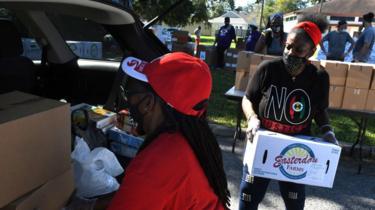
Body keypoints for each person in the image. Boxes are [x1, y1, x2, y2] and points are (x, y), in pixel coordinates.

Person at [239, 14, 339, 210]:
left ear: (311, 52)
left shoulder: (319, 77)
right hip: (263, 145)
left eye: (298, 49)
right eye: (288, 46)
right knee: (248, 198)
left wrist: (328, 131)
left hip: (296, 151)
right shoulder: (268, 68)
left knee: (294, 202)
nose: (290, 53)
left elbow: (319, 110)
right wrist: (252, 118)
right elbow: (248, 98)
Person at [107, 52, 230, 210]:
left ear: (148, 104)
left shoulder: (159, 159)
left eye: (129, 94)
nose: (127, 101)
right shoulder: (190, 138)